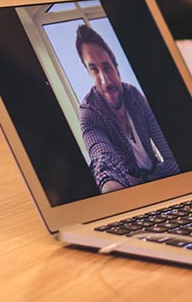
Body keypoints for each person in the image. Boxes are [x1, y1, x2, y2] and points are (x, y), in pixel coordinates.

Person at [75, 23, 179, 192]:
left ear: (116, 68)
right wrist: (111, 185)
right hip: (130, 195)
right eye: (94, 70)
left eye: (107, 68)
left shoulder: (134, 96)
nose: (105, 81)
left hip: (159, 182)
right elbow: (102, 158)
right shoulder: (89, 112)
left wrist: (147, 179)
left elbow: (172, 156)